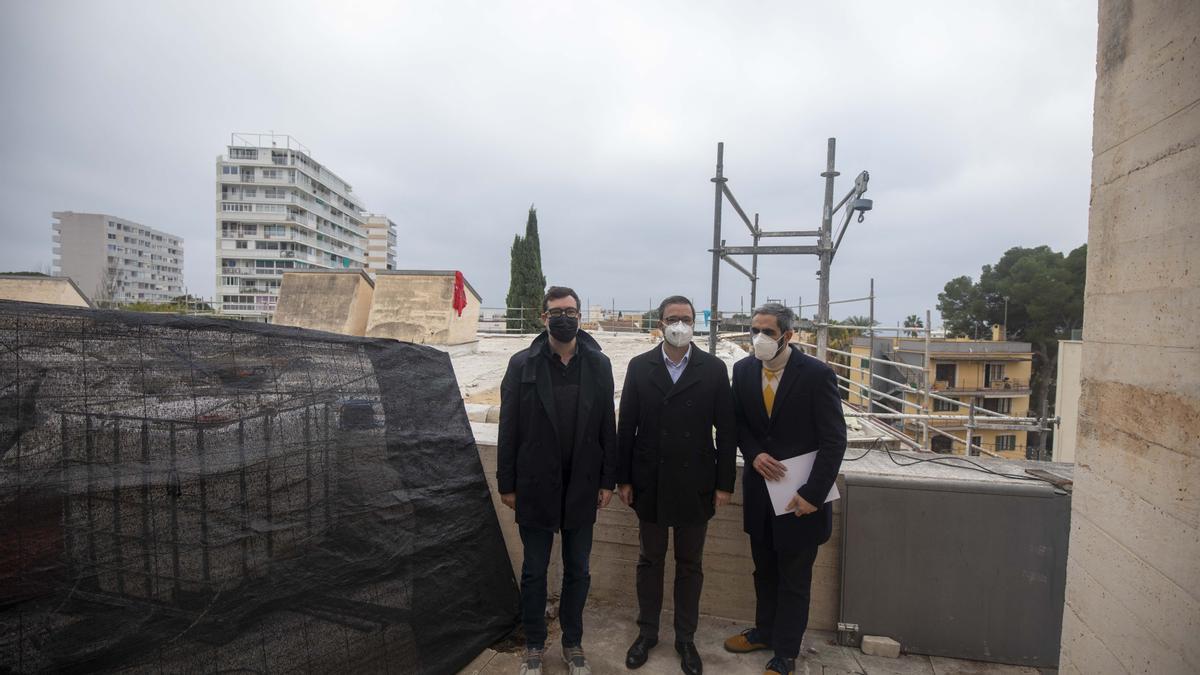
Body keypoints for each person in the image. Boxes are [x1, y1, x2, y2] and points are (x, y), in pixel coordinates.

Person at [497, 286, 617, 675]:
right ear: (543, 317)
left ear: (580, 316)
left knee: (578, 570)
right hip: (535, 484)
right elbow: (508, 427)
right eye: (555, 312)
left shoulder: (598, 364)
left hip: (582, 485)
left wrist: (607, 481)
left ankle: (572, 642)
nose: (563, 317)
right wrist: (507, 483)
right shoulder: (522, 364)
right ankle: (534, 644)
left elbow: (606, 427)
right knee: (534, 570)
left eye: (570, 311)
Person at [723, 303, 847, 675]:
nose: (759, 338)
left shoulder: (817, 375)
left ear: (788, 336)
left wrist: (813, 493)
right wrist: (755, 452)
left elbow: (834, 440)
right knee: (764, 571)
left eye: (768, 332)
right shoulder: (743, 370)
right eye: (754, 330)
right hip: (762, 495)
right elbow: (739, 423)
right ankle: (764, 631)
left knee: (794, 579)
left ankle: (786, 651)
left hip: (800, 499)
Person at [616, 295, 736, 675]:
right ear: (660, 323)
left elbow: (727, 432)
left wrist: (724, 484)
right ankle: (647, 633)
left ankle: (686, 637)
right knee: (650, 560)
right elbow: (626, 427)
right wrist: (623, 477)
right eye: (672, 319)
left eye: (686, 319)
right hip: (649, 481)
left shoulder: (714, 369)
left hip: (695, 482)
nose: (679, 325)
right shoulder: (640, 366)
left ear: (695, 323)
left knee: (690, 563)